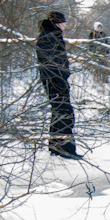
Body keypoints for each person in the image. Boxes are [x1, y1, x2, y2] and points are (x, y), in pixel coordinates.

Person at [36, 10, 82, 160]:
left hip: (57, 81)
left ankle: (56, 148)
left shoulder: (52, 35)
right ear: (57, 23)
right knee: (65, 114)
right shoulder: (48, 37)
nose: (64, 26)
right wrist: (60, 80)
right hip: (55, 82)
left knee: (59, 113)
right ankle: (64, 149)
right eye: (63, 22)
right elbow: (52, 63)